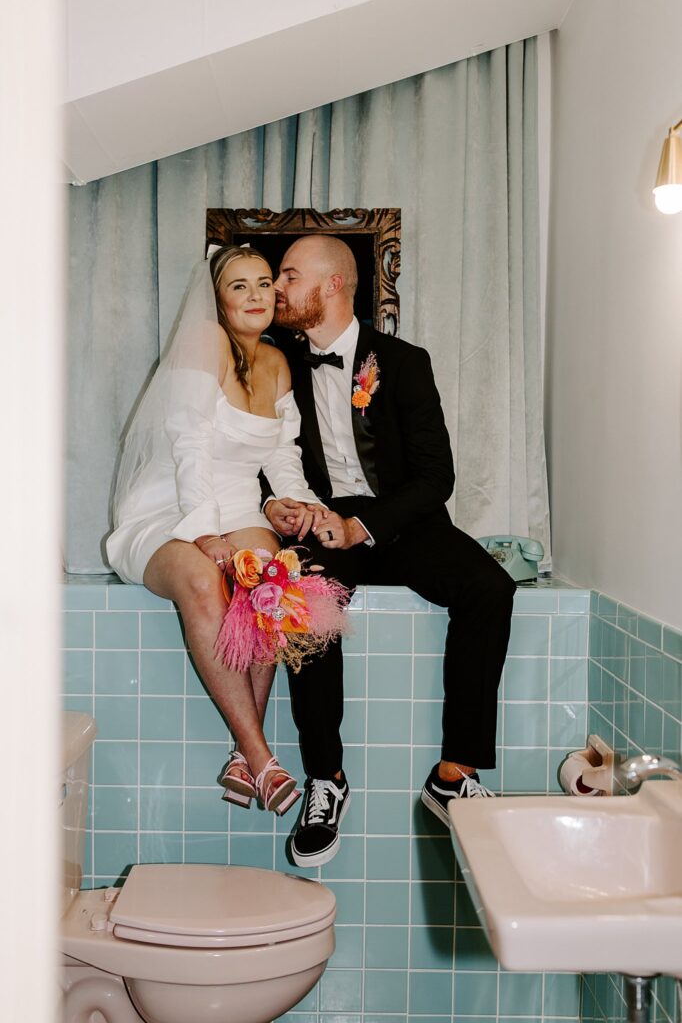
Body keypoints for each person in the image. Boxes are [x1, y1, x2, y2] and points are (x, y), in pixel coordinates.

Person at [264, 234, 517, 867]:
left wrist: (364, 527)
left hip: (402, 520)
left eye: (290, 276)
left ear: (334, 285)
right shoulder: (276, 365)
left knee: (490, 588)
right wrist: (278, 505)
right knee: (305, 601)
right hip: (321, 522)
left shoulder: (404, 361)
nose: (278, 288)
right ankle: (326, 779)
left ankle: (454, 771)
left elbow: (437, 477)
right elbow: (255, 457)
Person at [107, 244, 331, 817]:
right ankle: (258, 755)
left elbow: (283, 454)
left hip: (238, 508)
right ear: (217, 299)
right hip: (168, 506)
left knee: (272, 583)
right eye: (239, 286)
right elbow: (189, 448)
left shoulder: (278, 361)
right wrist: (205, 535)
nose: (256, 295)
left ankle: (241, 756)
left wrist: (292, 504)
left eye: (263, 284)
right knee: (207, 582)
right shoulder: (204, 346)